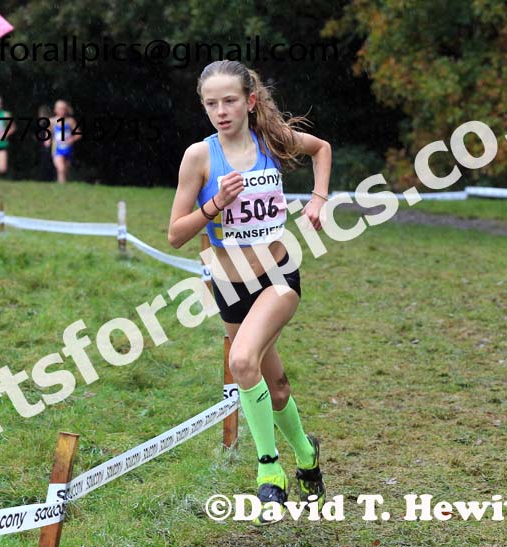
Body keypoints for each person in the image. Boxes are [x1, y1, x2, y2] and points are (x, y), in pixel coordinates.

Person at [167, 60, 332, 524]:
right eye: (211, 103)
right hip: (227, 283)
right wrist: (216, 203)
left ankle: (269, 470)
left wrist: (318, 198)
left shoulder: (271, 141)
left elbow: (321, 148)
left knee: (241, 362)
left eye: (230, 101)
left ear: (250, 101)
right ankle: (307, 456)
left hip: (278, 276)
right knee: (274, 388)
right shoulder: (199, 157)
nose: (221, 111)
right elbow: (176, 234)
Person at [50, 100, 81, 184]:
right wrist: (47, 140)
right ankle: (61, 186)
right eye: (59, 109)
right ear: (55, 110)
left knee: (65, 169)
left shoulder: (71, 121)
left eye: (63, 109)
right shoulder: (51, 121)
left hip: (68, 148)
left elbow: (78, 134)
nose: (61, 111)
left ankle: (62, 184)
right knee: (61, 167)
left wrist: (71, 139)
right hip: (56, 148)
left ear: (66, 110)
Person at [36, 105, 56, 182]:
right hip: (46, 143)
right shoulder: (49, 121)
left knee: (47, 161)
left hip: (47, 144)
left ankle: (46, 178)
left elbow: (48, 133)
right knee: (47, 161)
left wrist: (48, 141)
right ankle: (48, 178)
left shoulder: (47, 122)